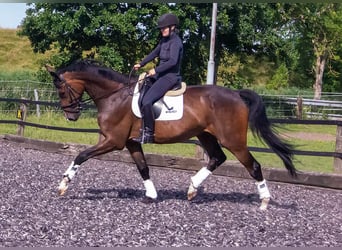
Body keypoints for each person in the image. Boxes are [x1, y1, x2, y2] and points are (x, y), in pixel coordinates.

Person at [133, 13, 183, 144]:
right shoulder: (164, 41)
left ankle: (149, 133)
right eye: (161, 28)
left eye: (164, 28)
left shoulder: (176, 42)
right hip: (160, 76)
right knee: (141, 90)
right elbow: (154, 53)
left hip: (170, 77)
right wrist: (141, 63)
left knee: (147, 101)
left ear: (172, 27)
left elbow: (172, 61)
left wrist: (156, 70)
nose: (162, 30)